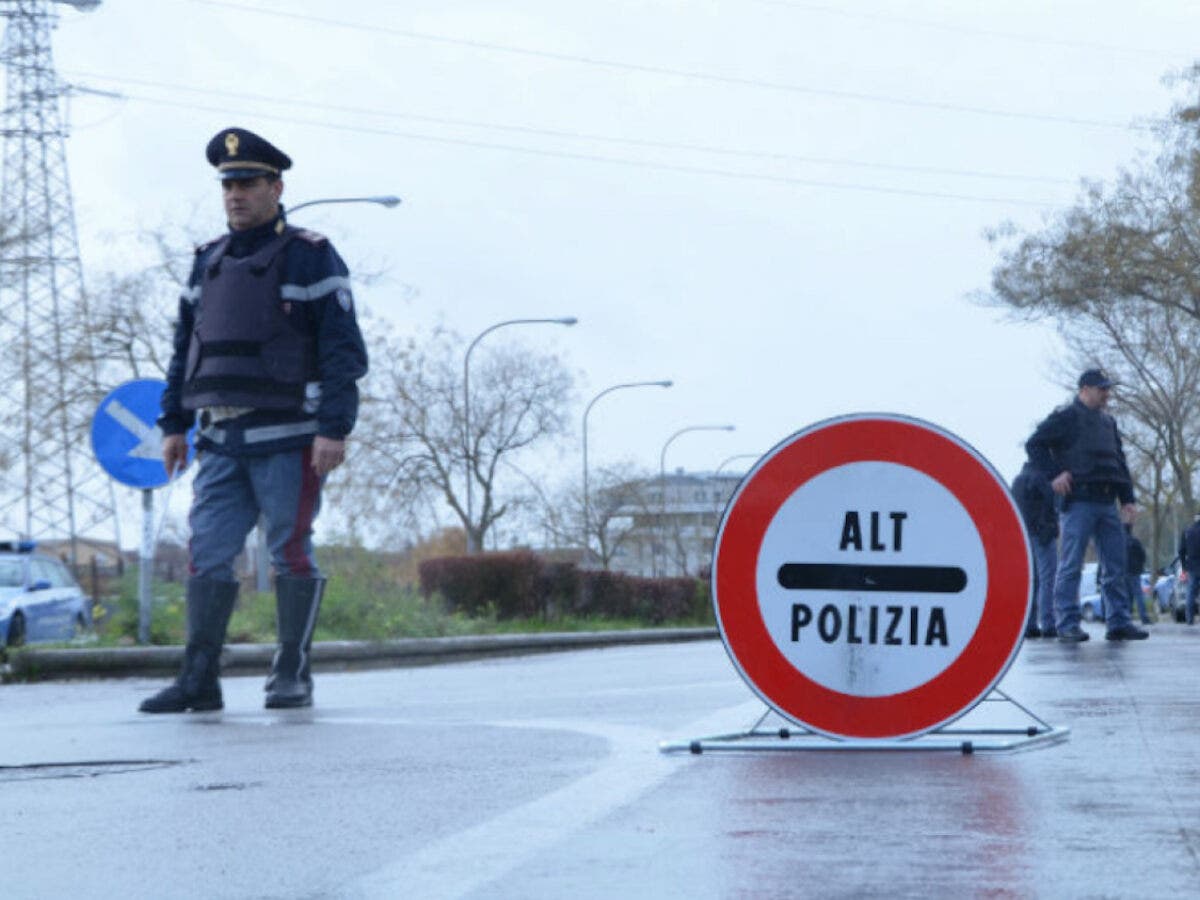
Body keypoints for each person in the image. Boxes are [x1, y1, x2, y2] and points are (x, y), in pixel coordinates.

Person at [140, 128, 369, 713]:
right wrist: (173, 424)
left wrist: (334, 428)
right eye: (228, 185)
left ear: (276, 186)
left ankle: (290, 672)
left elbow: (344, 351)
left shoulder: (312, 255)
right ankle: (199, 679)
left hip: (291, 438)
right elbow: (183, 350)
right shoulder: (207, 261)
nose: (235, 195)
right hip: (219, 438)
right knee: (206, 552)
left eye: (247, 183)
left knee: (289, 553)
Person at [1025, 368, 1148, 642]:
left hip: (1107, 502)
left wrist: (1127, 499)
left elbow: (1119, 461)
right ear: (1084, 389)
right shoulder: (1065, 418)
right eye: (1101, 388)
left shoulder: (1109, 423)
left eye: (1107, 388)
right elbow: (1034, 445)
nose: (1106, 393)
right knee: (1071, 566)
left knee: (1116, 565)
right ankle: (1067, 623)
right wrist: (1054, 473)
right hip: (1079, 502)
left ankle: (1118, 622)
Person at [1010, 460, 1059, 638]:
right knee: (1048, 578)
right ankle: (1048, 623)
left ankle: (1030, 624)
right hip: (1042, 534)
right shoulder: (1042, 477)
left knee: (1033, 580)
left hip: (1023, 534)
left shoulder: (1017, 481)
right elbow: (1049, 502)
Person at [1123, 524, 1151, 625]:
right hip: (1135, 571)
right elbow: (1143, 555)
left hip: (1124, 571)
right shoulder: (1135, 541)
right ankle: (1144, 617)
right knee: (1138, 595)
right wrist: (1139, 566)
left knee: (1127, 595)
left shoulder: (1119, 542)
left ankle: (1127, 617)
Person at [1179, 512, 1200, 625]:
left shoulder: (1187, 531)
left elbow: (1181, 550)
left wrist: (1184, 567)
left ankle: (1189, 619)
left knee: (1190, 592)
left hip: (1191, 565)